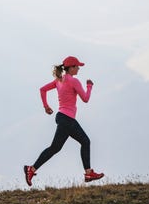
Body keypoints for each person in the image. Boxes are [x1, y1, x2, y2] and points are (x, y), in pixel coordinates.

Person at [24, 56, 104, 186]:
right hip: (67, 119)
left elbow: (42, 89)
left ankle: (31, 169)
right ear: (71, 68)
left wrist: (46, 106)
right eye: (77, 66)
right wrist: (89, 86)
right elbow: (85, 98)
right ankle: (88, 173)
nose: (78, 68)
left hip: (62, 117)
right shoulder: (74, 81)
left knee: (59, 147)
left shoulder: (59, 80)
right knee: (79, 142)